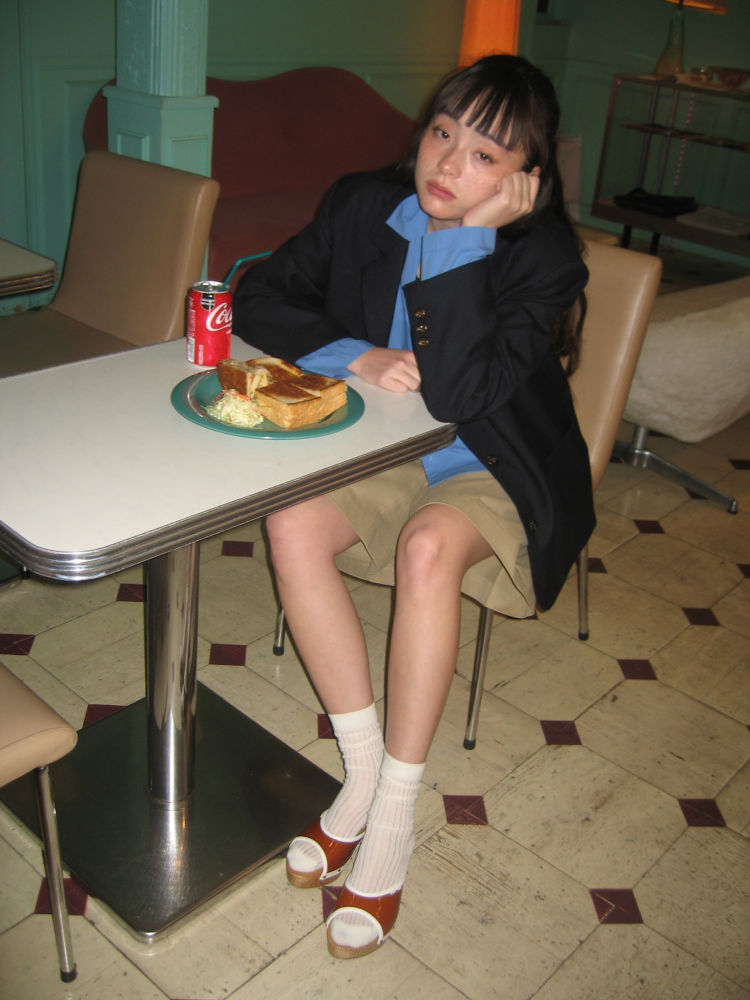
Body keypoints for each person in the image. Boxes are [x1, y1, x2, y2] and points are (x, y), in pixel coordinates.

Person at [232, 53, 595, 960]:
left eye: (485, 156)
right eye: (443, 133)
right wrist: (352, 352)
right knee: (291, 520)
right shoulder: (366, 205)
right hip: (388, 448)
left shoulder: (544, 256)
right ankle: (361, 778)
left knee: (428, 549)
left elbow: (464, 392)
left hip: (493, 460)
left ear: (525, 179)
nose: (448, 164)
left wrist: (469, 238)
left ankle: (392, 811)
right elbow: (257, 295)